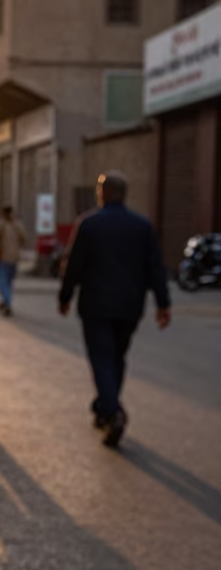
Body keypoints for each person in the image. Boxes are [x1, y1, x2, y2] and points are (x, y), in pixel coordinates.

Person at [59, 170, 171, 448]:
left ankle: (112, 411)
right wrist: (163, 303)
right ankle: (104, 407)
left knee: (101, 358)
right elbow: (155, 267)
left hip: (96, 305)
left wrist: (65, 295)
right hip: (130, 306)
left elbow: (74, 265)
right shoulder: (142, 226)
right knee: (117, 357)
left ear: (103, 194)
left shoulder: (89, 224)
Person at [0, 205, 27, 316]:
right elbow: (23, 239)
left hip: (2, 257)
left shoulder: (0, 224)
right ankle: (5, 300)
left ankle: (7, 302)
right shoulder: (17, 225)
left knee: (2, 282)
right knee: (8, 282)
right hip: (14, 258)